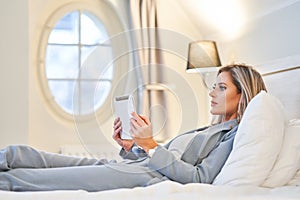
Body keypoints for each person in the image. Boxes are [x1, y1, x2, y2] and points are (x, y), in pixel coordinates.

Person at [0, 64, 267, 192]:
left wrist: (151, 145)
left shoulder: (235, 136)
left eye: (221, 88)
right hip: (136, 165)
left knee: (29, 179)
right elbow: (161, 158)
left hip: (143, 177)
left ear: (242, 94)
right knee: (26, 156)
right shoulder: (206, 130)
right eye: (214, 86)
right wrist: (132, 147)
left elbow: (199, 179)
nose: (212, 93)